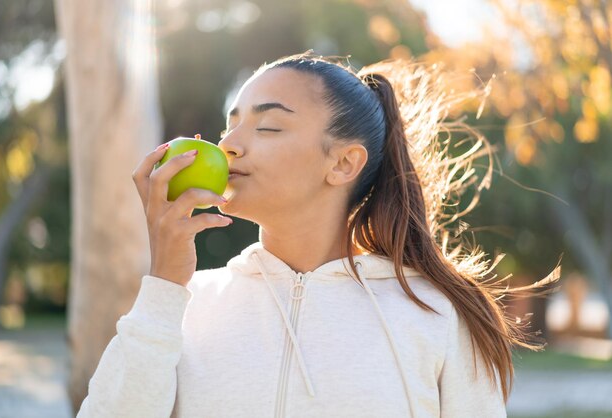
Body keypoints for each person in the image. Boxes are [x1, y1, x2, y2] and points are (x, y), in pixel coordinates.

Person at [78, 52, 558, 418]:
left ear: (343, 162)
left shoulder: (434, 315)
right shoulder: (186, 304)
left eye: (267, 126)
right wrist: (164, 284)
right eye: (232, 124)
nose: (229, 146)